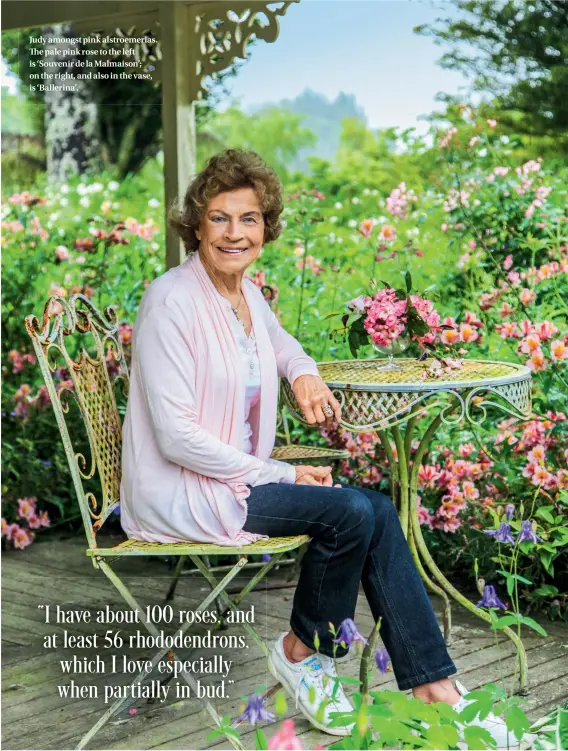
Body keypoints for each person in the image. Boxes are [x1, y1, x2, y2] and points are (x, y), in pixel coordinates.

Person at [120, 149, 531, 748]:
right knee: (350, 513)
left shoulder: (246, 296)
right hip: (184, 492)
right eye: (219, 218)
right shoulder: (170, 301)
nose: (235, 233)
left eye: (249, 219)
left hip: (236, 479)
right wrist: (276, 470)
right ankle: (307, 654)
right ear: (196, 225)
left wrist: (305, 372)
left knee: (376, 509)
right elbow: (176, 437)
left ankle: (430, 686)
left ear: (266, 227)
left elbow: (284, 347)